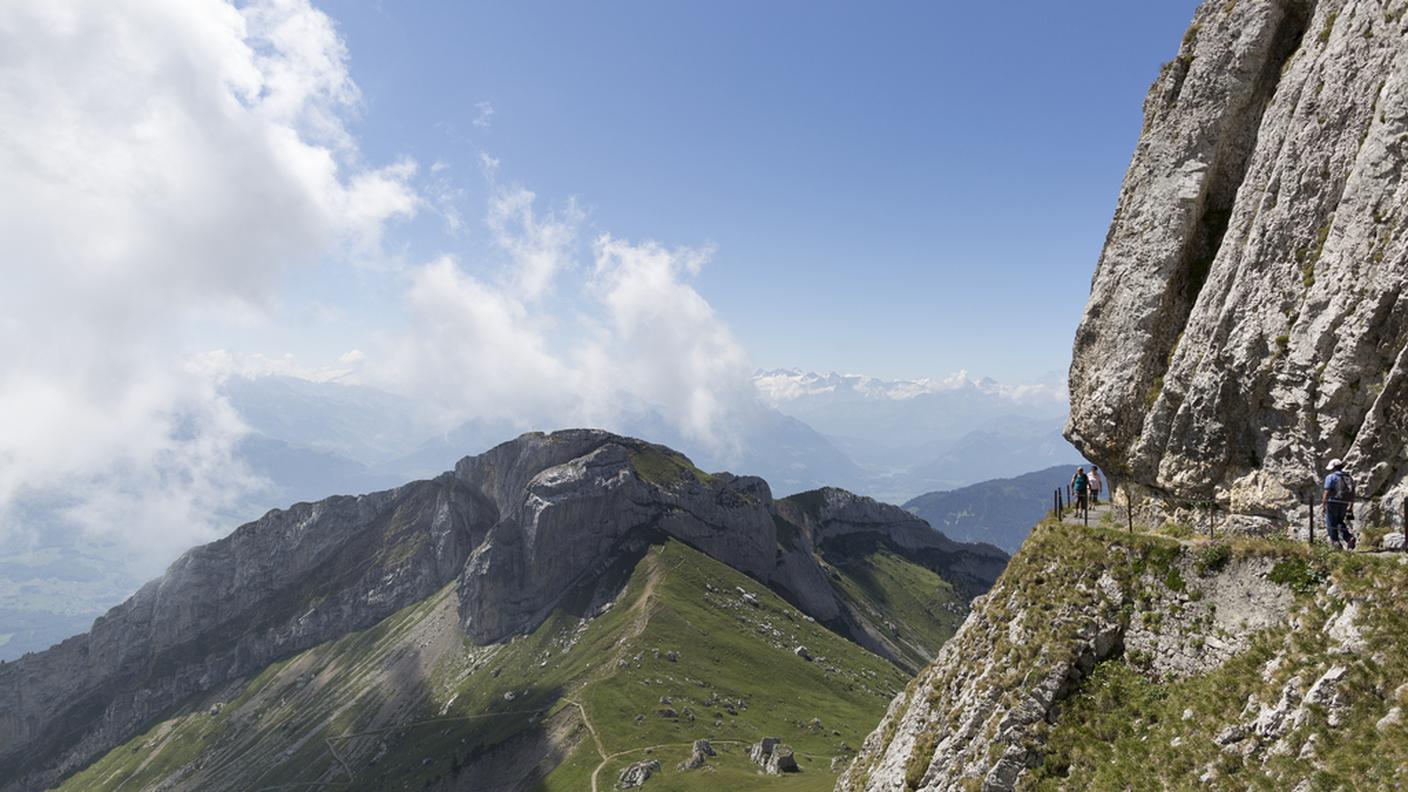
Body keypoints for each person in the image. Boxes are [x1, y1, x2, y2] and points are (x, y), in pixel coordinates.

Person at [1322, 458, 1357, 550]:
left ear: (1333, 468)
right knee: (1340, 522)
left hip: (1332, 502)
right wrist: (1351, 506)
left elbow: (1326, 492)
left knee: (1331, 523)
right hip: (1344, 503)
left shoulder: (1331, 477)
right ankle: (1349, 537)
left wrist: (1323, 505)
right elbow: (1352, 492)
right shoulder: (1348, 477)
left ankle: (1336, 543)